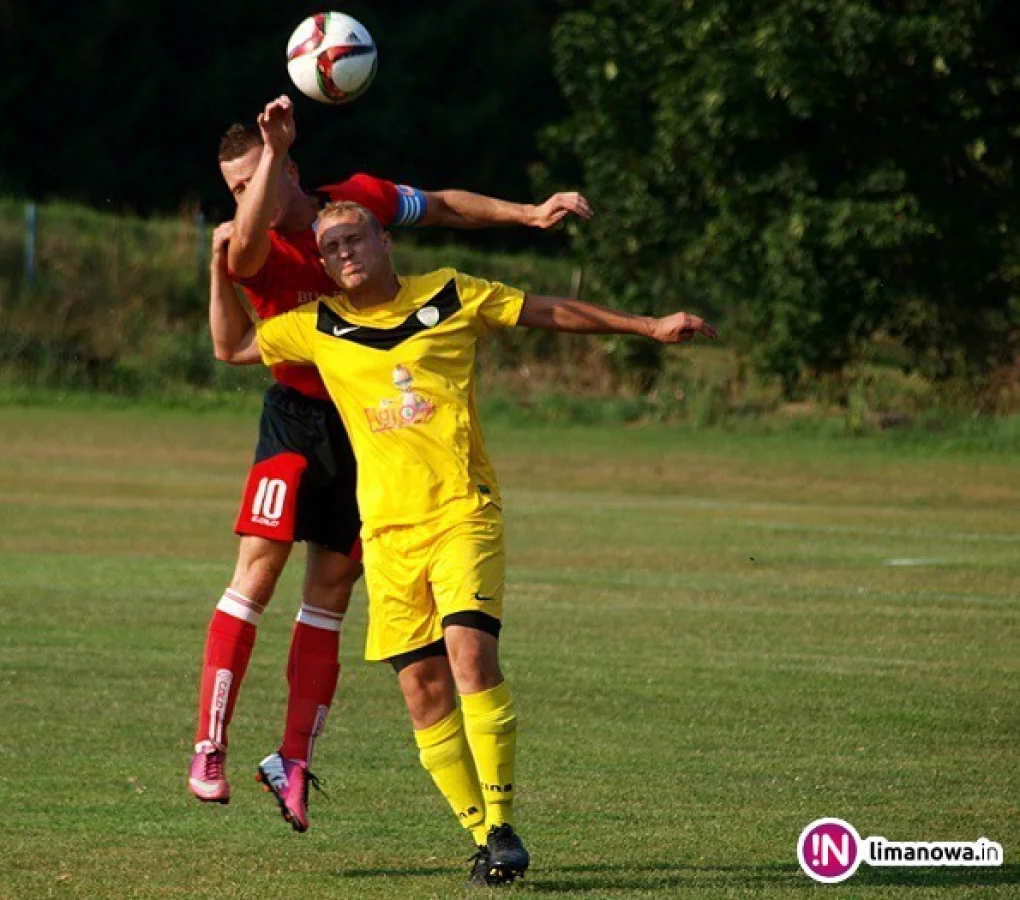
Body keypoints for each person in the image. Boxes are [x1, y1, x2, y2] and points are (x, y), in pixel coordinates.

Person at [217, 199, 717, 886]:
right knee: (423, 693)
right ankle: (485, 837)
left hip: (461, 512)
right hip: (387, 537)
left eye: (354, 239)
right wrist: (222, 270)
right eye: (330, 248)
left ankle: (504, 821)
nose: (343, 254)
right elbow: (231, 346)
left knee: (469, 657)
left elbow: (545, 310)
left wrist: (648, 326)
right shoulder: (317, 325)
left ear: (385, 241)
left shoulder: (450, 293)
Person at [191, 94, 594, 835]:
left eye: (253, 181)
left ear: (293, 169)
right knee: (259, 566)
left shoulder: (358, 205)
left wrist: (527, 213)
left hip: (365, 431)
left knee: (333, 591)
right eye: (234, 190)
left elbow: (439, 206)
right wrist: (271, 156)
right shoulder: (253, 245)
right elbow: (236, 302)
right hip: (294, 418)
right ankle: (208, 746)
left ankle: (292, 758)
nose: (245, 200)